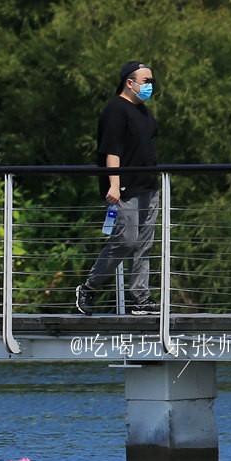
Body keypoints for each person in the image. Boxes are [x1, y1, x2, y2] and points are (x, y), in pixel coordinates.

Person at [76, 61, 160, 316]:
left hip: (149, 186)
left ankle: (140, 298)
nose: (150, 86)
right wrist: (113, 184)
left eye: (151, 81)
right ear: (130, 82)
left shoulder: (144, 112)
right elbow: (111, 150)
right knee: (125, 240)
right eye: (146, 81)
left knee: (144, 245)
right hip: (124, 188)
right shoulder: (115, 110)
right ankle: (89, 287)